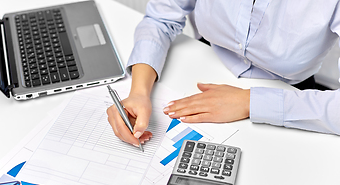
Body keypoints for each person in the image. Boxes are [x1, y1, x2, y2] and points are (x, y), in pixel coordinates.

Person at [107, 0, 340, 147]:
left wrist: (249, 101)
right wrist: (138, 91)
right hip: (204, 61)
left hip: (287, 91)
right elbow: (161, 18)